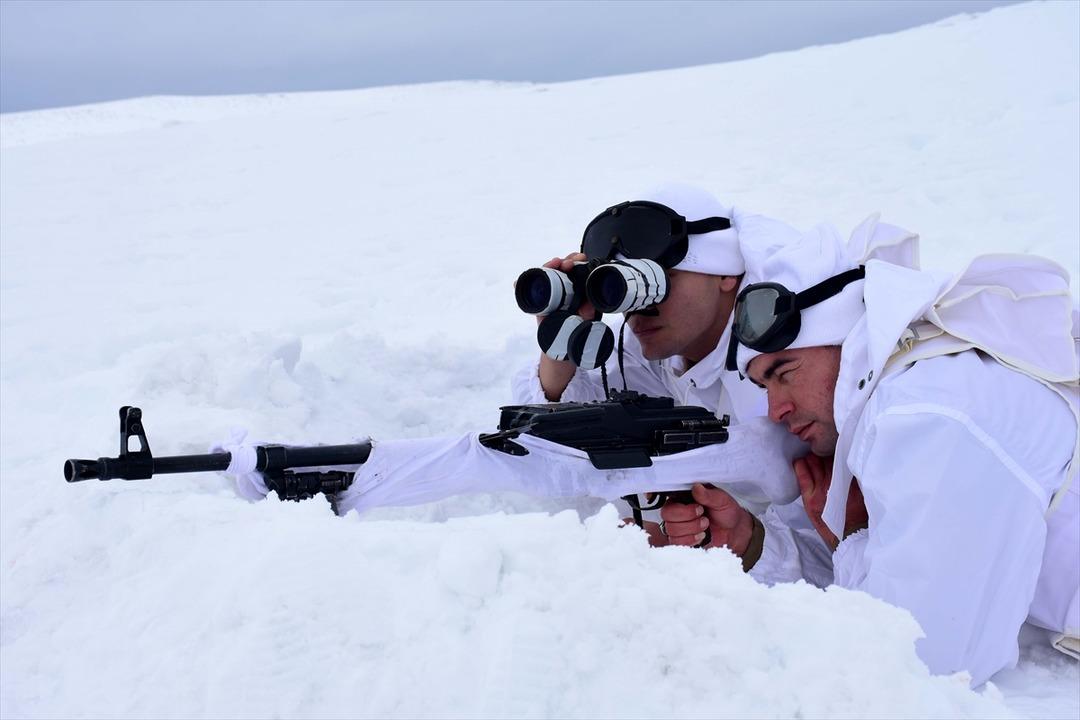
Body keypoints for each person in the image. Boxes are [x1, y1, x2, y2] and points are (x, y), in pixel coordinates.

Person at [659, 212, 1080, 685]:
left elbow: (921, 659)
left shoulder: (930, 414)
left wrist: (854, 537)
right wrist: (749, 542)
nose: (775, 409)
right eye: (763, 386)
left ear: (842, 339)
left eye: (784, 373)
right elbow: (872, 577)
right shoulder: (883, 406)